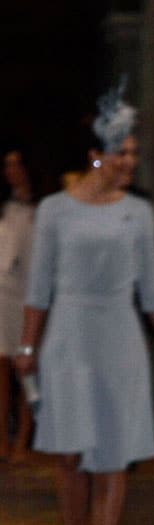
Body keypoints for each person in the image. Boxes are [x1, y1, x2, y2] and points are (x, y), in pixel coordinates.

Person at [14, 82, 154, 525]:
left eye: (134, 152)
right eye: (121, 151)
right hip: (67, 335)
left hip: (119, 336)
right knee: (70, 454)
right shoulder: (54, 211)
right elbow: (38, 286)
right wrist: (26, 349)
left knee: (112, 456)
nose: (129, 160)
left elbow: (153, 290)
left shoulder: (139, 212)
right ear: (95, 155)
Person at [0, 148, 38, 462]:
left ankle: (23, 439)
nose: (13, 171)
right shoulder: (4, 207)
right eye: (7, 165)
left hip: (30, 295)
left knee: (26, 368)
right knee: (1, 368)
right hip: (2, 293)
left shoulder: (43, 207)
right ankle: (2, 438)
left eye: (17, 164)